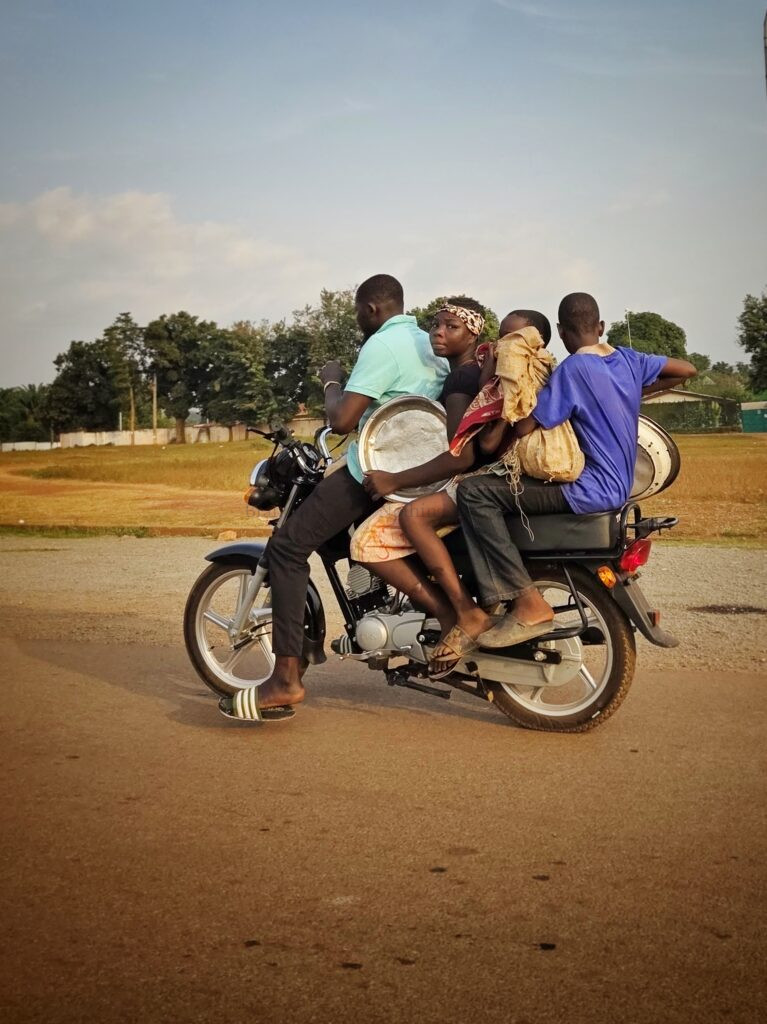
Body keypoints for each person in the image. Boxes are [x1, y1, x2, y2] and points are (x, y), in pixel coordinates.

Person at [449, 291, 697, 660]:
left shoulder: (572, 371)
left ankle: (525, 602)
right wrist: (635, 391)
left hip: (588, 490)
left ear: (563, 333)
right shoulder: (628, 360)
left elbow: (524, 428)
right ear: (600, 327)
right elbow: (687, 369)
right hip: (620, 488)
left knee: (474, 492)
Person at [249, 273, 449, 715]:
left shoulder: (381, 344)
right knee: (341, 537)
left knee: (287, 547)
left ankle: (284, 679)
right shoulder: (425, 342)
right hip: (418, 470)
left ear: (372, 309)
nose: (359, 319)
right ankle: (372, 610)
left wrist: (331, 380)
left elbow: (341, 420)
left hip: (375, 470)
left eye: (359, 312)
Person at [355, 304, 552, 675]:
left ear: (474, 335)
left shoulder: (462, 379)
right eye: (436, 324)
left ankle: (460, 613)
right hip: (492, 479)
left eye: (452, 326)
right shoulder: (484, 375)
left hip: (471, 483)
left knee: (369, 541)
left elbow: (460, 456)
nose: (438, 332)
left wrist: (395, 479)